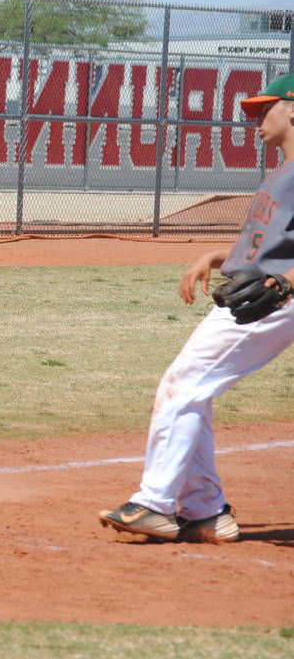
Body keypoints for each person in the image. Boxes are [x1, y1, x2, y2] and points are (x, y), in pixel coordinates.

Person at [98, 73, 294, 543]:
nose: (254, 121)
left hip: (273, 299)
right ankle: (205, 511)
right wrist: (215, 256)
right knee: (193, 389)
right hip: (256, 290)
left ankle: (155, 503)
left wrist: (286, 285)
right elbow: (272, 243)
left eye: (261, 110)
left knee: (183, 384)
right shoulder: (282, 169)